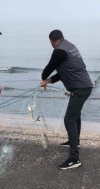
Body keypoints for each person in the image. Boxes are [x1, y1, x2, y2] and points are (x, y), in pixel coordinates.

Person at [39, 30, 93, 170]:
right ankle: (74, 141)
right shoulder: (70, 46)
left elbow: (49, 68)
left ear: (51, 41)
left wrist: (44, 77)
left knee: (69, 119)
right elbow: (64, 70)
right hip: (85, 86)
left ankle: (74, 159)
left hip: (80, 89)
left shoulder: (59, 51)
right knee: (75, 116)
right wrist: (49, 80)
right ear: (62, 37)